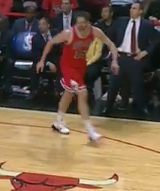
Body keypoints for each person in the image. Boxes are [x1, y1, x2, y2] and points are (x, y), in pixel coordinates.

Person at [36, 13, 119, 142]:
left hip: (80, 66)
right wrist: (42, 60)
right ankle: (90, 130)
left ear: (88, 23)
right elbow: (50, 42)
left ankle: (58, 121)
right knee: (82, 93)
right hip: (67, 66)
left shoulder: (95, 32)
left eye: (82, 22)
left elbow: (111, 44)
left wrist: (114, 61)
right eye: (78, 22)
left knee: (68, 94)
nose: (80, 25)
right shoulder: (68, 33)